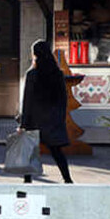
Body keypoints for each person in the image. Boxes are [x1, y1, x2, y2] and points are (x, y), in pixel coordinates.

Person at [18, 40, 73, 184]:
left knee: (30, 153)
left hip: (35, 120)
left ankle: (27, 181)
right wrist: (59, 117)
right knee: (57, 152)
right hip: (53, 119)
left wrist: (23, 123)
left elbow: (27, 101)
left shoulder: (32, 75)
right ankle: (67, 179)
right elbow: (63, 99)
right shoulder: (58, 74)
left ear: (35, 55)